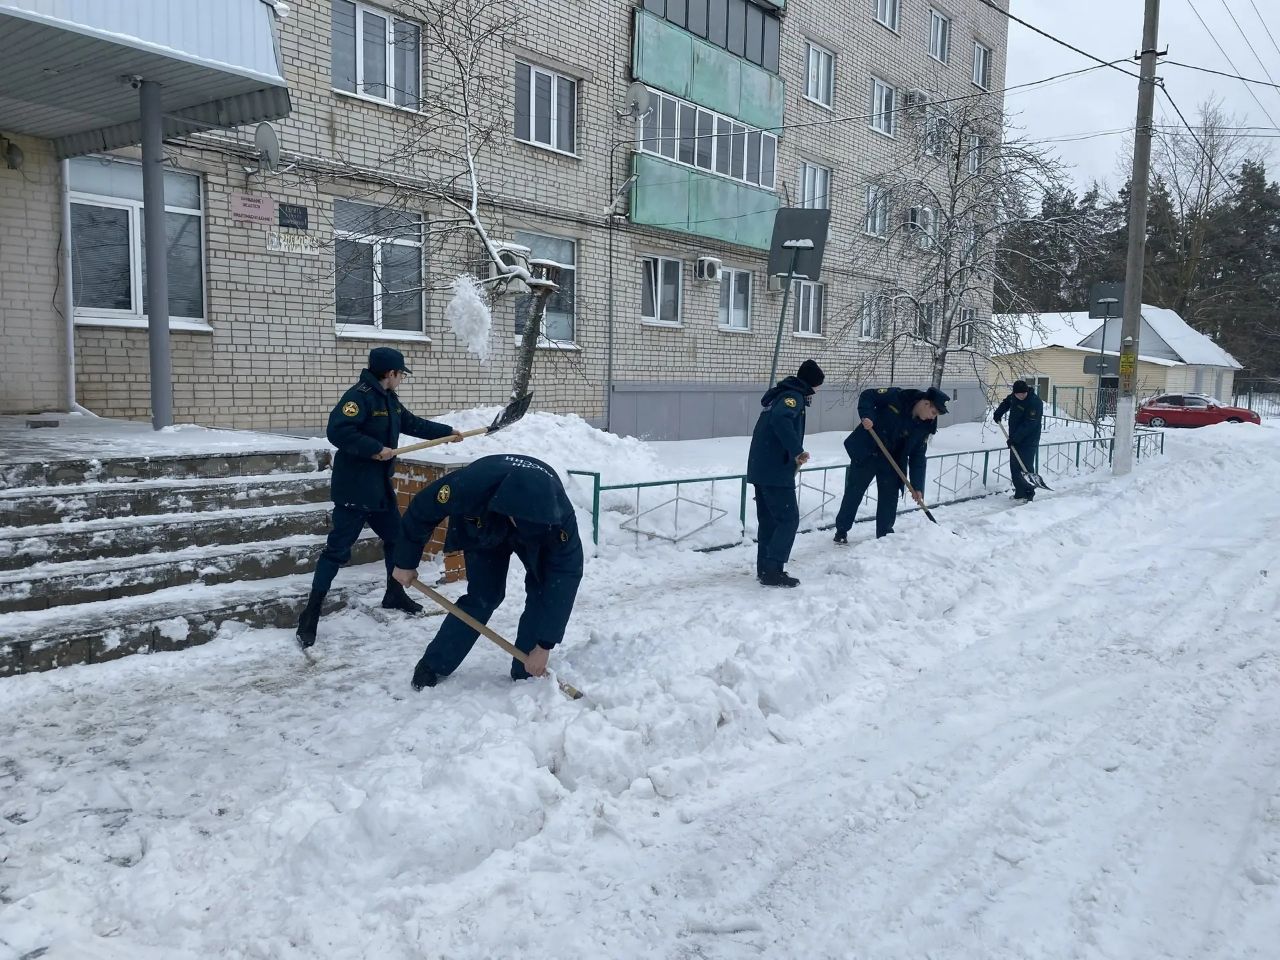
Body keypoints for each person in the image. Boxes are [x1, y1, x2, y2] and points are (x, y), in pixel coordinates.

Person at [295, 347, 461, 649]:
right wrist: (373, 447)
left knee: (397, 540)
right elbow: (338, 431)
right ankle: (311, 614)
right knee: (337, 552)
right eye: (401, 375)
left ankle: (394, 593)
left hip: (379, 490)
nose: (402, 380)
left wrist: (448, 432)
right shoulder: (358, 397)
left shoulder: (388, 399)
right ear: (390, 373)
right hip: (355, 491)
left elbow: (411, 423)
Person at [391, 454, 584, 691]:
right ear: (511, 516)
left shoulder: (559, 516)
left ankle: (526, 667)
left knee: (543, 589)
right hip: (484, 525)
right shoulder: (468, 486)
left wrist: (544, 645)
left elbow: (566, 575)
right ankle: (434, 664)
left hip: (540, 534)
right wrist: (405, 561)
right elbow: (422, 510)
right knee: (483, 597)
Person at [832, 385, 949, 542]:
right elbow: (868, 395)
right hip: (869, 451)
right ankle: (841, 530)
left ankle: (885, 536)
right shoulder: (898, 396)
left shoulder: (925, 426)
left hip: (893, 460)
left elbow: (918, 456)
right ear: (926, 403)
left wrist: (917, 487)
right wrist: (867, 416)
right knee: (854, 492)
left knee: (889, 499)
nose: (933, 418)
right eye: (933, 413)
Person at [745, 359, 824, 587]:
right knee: (789, 519)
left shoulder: (781, 394)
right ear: (810, 384)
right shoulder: (794, 397)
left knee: (770, 521)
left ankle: (766, 569)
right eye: (817, 387)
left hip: (762, 467)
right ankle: (773, 569)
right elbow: (781, 420)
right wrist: (797, 451)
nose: (816, 392)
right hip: (775, 469)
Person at [994, 379, 1044, 501]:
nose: (1021, 396)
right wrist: (998, 413)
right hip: (1014, 438)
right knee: (1015, 466)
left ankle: (1029, 493)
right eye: (1018, 394)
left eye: (1023, 393)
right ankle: (1020, 493)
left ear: (1027, 391)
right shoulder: (1014, 397)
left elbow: (1029, 424)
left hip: (1029, 440)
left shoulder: (1035, 402)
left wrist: (1015, 438)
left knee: (1025, 467)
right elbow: (1007, 402)